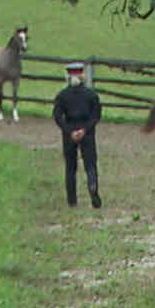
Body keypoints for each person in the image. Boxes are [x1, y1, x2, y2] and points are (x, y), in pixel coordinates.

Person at [52, 61, 102, 208]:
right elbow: (96, 115)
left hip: (69, 131)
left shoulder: (62, 96)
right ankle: (93, 188)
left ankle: (72, 200)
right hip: (86, 131)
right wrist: (85, 129)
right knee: (90, 164)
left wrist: (68, 130)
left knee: (70, 167)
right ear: (82, 76)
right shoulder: (91, 95)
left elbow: (57, 116)